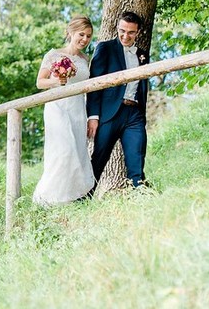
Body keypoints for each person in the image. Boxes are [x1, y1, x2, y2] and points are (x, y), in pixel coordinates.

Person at [32, 16, 96, 205]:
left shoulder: (85, 59)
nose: (84, 39)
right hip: (58, 107)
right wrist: (56, 81)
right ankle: (46, 199)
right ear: (70, 33)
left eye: (89, 36)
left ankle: (70, 198)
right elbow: (39, 82)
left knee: (78, 151)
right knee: (63, 151)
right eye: (81, 34)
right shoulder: (54, 55)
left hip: (78, 108)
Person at [86, 11, 150, 189]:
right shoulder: (105, 48)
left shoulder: (142, 55)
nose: (125, 36)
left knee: (136, 159)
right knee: (98, 159)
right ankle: (83, 200)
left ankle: (141, 199)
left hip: (134, 115)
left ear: (137, 33)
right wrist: (93, 116)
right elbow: (94, 84)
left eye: (131, 32)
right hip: (109, 113)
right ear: (117, 28)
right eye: (122, 31)